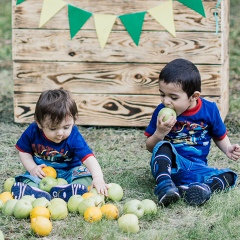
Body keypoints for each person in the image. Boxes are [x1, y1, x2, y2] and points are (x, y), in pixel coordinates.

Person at [144, 58, 240, 207]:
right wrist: (159, 132)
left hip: (197, 168)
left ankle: (200, 189)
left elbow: (219, 135)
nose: (166, 102)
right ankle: (165, 186)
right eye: (162, 94)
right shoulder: (160, 112)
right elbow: (151, 147)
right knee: (163, 146)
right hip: (172, 166)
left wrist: (227, 148)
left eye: (173, 97)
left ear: (194, 96)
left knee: (230, 176)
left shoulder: (209, 110)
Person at [12, 89, 108, 201]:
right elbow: (24, 151)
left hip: (69, 171)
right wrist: (32, 168)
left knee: (85, 176)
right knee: (28, 179)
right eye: (53, 128)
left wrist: (98, 177)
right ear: (39, 123)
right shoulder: (33, 131)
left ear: (74, 119)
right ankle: (34, 192)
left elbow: (88, 158)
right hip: (42, 173)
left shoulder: (73, 136)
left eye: (66, 127)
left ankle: (69, 190)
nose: (60, 133)